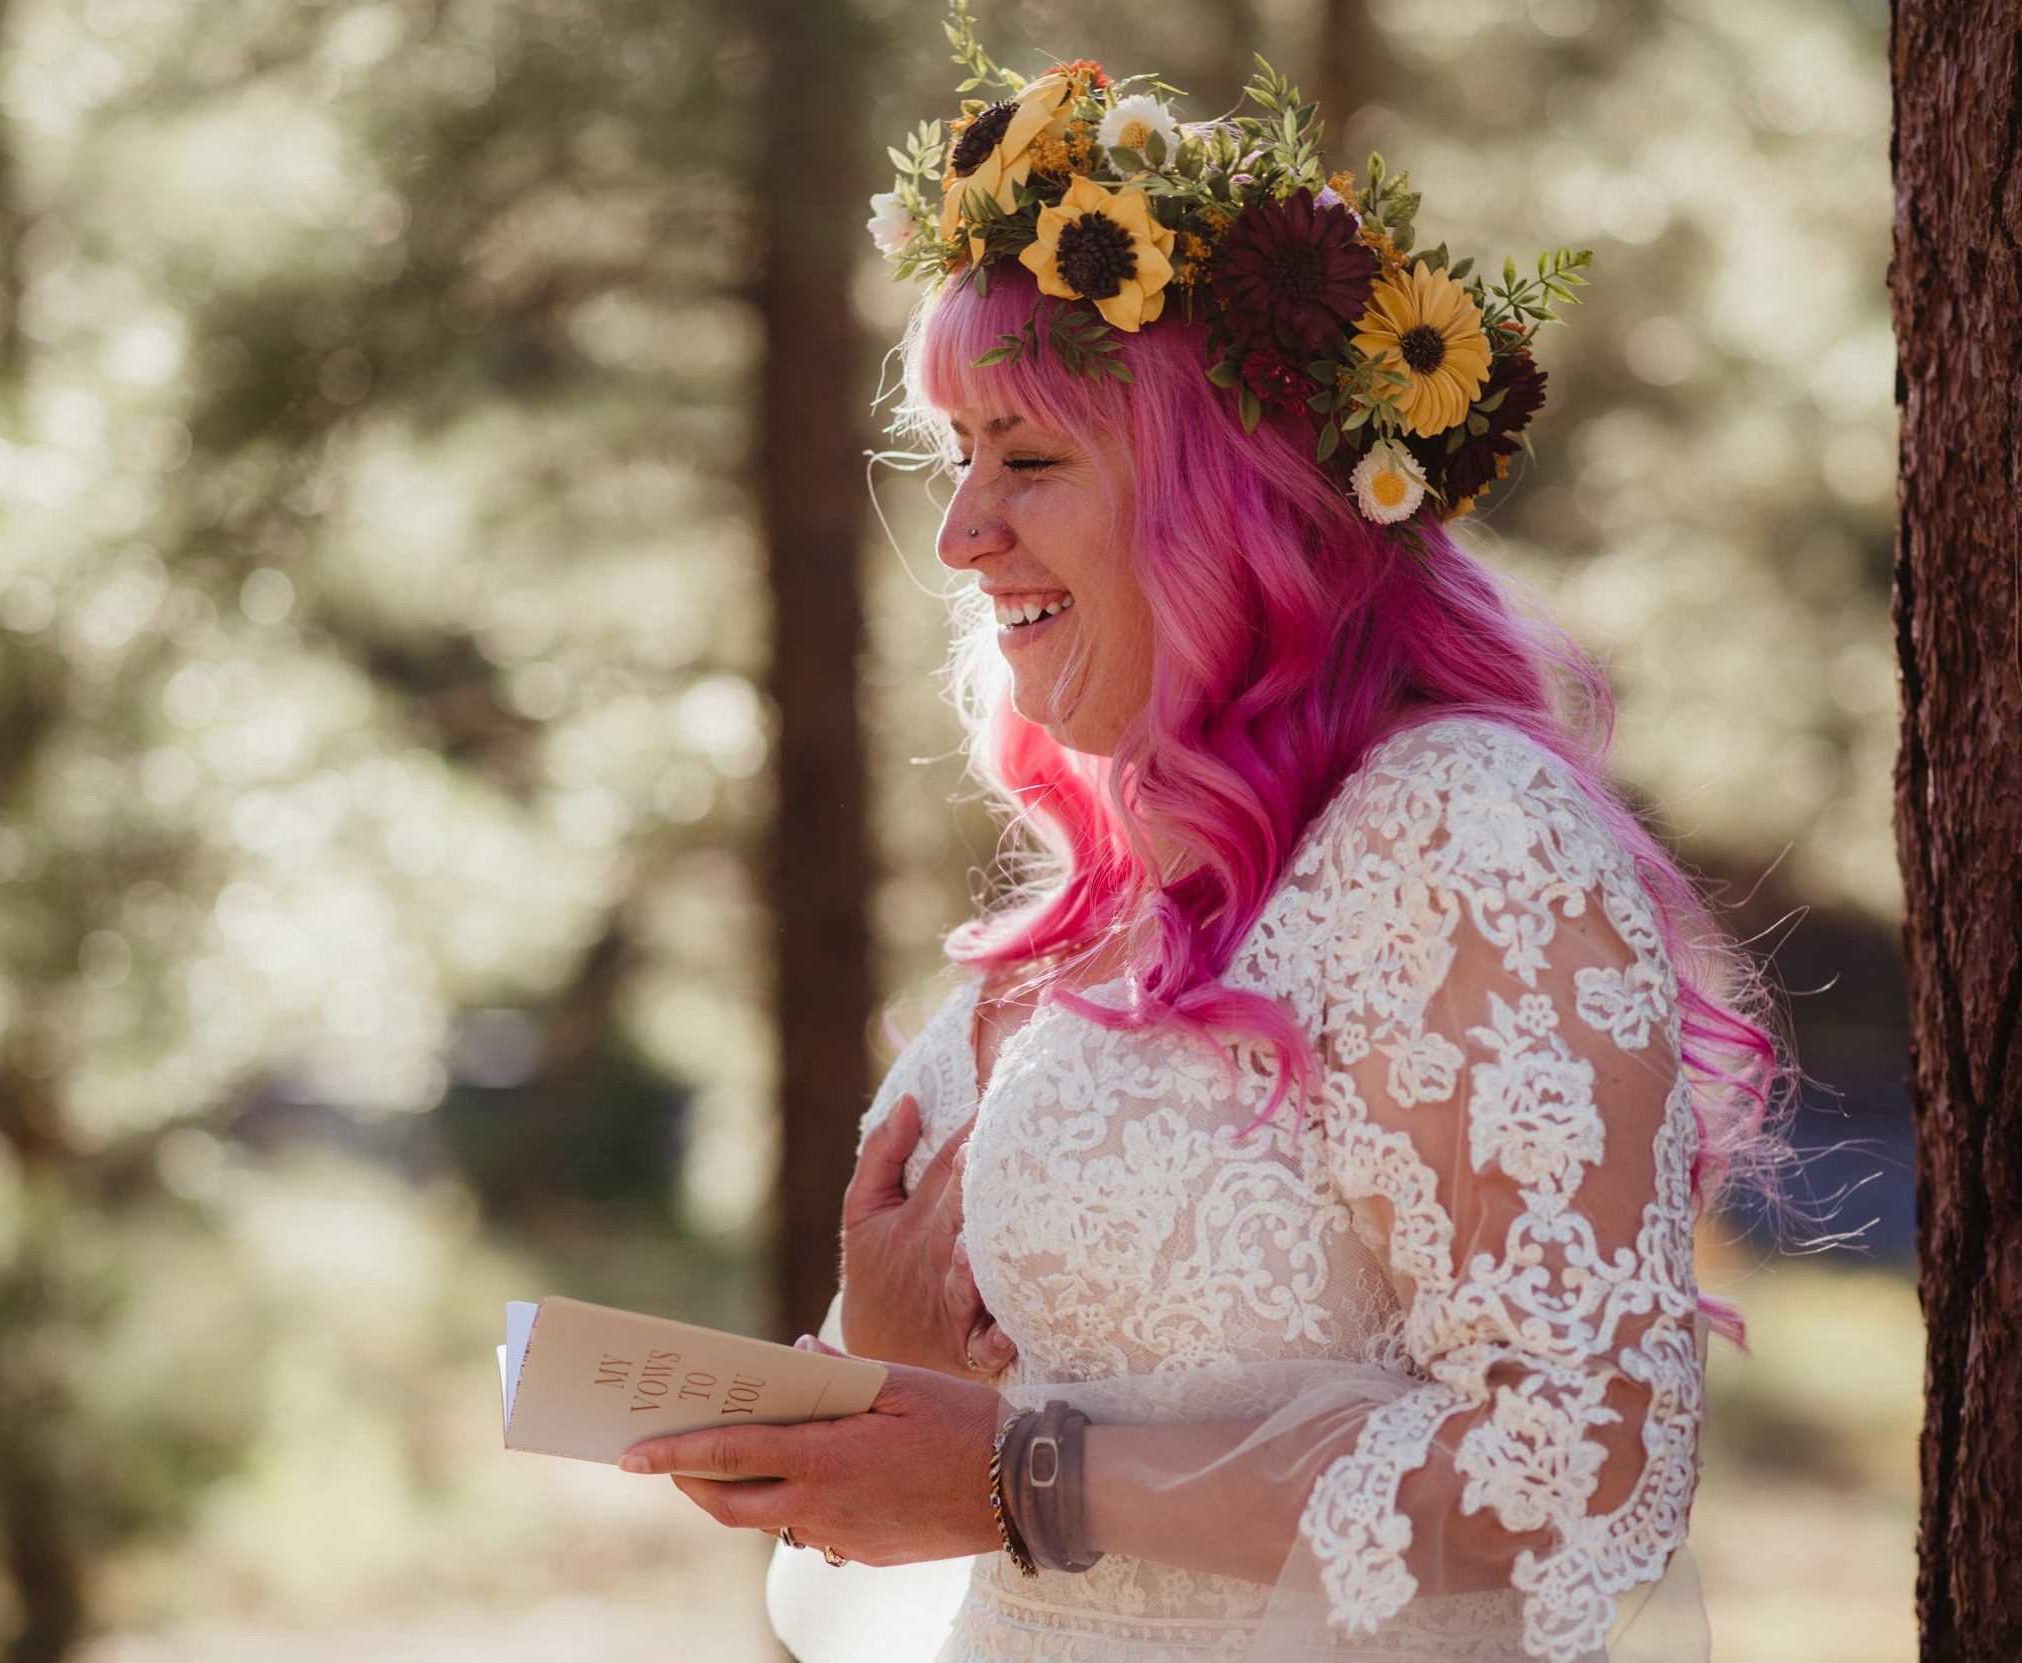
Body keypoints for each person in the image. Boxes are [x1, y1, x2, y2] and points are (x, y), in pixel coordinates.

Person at [620, 22, 1789, 1661]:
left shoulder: (1460, 836)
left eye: (1029, 461)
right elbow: (879, 1562)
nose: (961, 536)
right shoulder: (1091, 915)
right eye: (959, 461)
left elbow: (1584, 1478)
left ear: (1233, 498)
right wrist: (886, 1378)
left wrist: (1026, 1474)